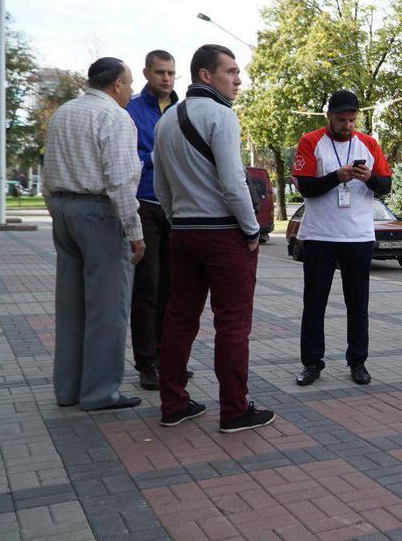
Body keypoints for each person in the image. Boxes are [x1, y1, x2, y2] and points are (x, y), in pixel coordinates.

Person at [152, 44, 274, 433]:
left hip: (183, 234)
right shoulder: (222, 116)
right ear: (206, 75)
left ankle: (173, 404)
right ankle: (235, 411)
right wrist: (252, 230)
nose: (238, 80)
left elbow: (160, 185)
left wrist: (176, 222)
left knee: (179, 319)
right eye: (231, 72)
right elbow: (233, 182)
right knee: (233, 324)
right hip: (223, 234)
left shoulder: (166, 120)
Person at [41, 57, 145, 411]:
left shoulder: (63, 114)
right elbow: (120, 180)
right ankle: (100, 392)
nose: (131, 91)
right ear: (116, 84)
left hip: (64, 210)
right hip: (100, 213)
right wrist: (134, 231)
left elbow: (48, 168)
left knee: (70, 306)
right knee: (107, 307)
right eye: (129, 84)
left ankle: (68, 389)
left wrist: (56, 208)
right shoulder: (115, 117)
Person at [293, 90, 392, 387]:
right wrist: (337, 176)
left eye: (352, 120)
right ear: (328, 116)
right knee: (315, 303)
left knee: (357, 304)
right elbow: (306, 188)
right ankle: (312, 363)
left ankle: (358, 362)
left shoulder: (370, 144)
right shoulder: (310, 142)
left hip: (358, 236)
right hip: (320, 235)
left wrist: (367, 178)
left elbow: (385, 185)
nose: (347, 126)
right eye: (341, 120)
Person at [126, 50, 180, 391]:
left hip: (176, 206)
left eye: (171, 73)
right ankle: (146, 362)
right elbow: (126, 155)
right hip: (143, 203)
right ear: (147, 72)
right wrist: (155, 156)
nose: (166, 78)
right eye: (160, 72)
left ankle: (167, 358)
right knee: (148, 284)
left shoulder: (182, 110)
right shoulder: (130, 109)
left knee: (173, 288)